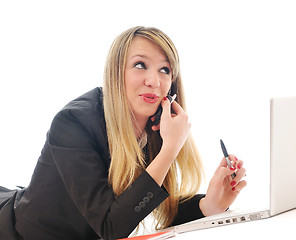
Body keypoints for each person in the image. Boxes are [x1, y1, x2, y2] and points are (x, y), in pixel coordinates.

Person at [0, 26, 247, 240]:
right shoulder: (73, 123)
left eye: (165, 70)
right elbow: (112, 227)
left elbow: (139, 206)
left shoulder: (155, 126)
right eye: (140, 65)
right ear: (116, 72)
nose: (154, 80)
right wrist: (170, 149)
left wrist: (208, 205)